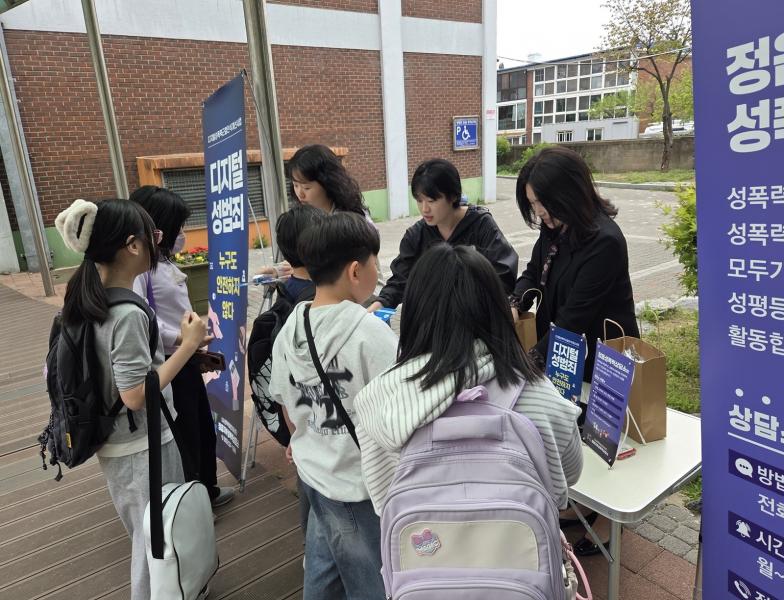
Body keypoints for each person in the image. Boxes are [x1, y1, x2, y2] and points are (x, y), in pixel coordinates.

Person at [355, 243, 583, 515]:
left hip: (425, 550)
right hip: (518, 551)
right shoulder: (540, 396)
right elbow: (568, 476)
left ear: (414, 314)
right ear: (496, 310)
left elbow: (383, 500)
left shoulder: (381, 400)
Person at [55, 198, 208, 600]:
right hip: (144, 446)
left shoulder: (85, 297)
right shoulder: (126, 315)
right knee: (154, 541)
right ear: (133, 246)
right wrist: (188, 346)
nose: (159, 244)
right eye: (153, 236)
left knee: (146, 531)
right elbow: (137, 394)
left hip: (117, 444)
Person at [511, 145, 639, 555]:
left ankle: (608, 525)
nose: (540, 214)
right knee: (573, 431)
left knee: (603, 435)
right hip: (566, 351)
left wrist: (525, 363)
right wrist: (516, 301)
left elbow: (573, 318)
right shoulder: (555, 230)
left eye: (542, 203)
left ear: (569, 193)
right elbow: (534, 273)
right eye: (532, 205)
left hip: (601, 357)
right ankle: (579, 504)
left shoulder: (604, 241)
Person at [268, 212, 397, 600]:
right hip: (360, 486)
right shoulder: (370, 333)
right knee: (371, 581)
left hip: (314, 474)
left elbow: (284, 402)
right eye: (376, 260)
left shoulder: (292, 325)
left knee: (323, 568)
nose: (378, 269)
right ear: (356, 271)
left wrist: (307, 441)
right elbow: (396, 411)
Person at [130, 186, 235, 509]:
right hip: (169, 366)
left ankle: (208, 490)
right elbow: (142, 320)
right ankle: (192, 506)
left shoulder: (161, 262)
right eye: (177, 227)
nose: (182, 235)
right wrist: (181, 338)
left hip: (186, 358)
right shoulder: (140, 272)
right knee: (185, 433)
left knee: (201, 426)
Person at [367, 158, 518, 313]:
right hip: (434, 323)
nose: (424, 209)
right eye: (419, 201)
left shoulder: (481, 226)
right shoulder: (416, 235)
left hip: (475, 319)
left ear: (453, 196)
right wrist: (381, 303)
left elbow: (503, 274)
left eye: (431, 201)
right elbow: (400, 280)